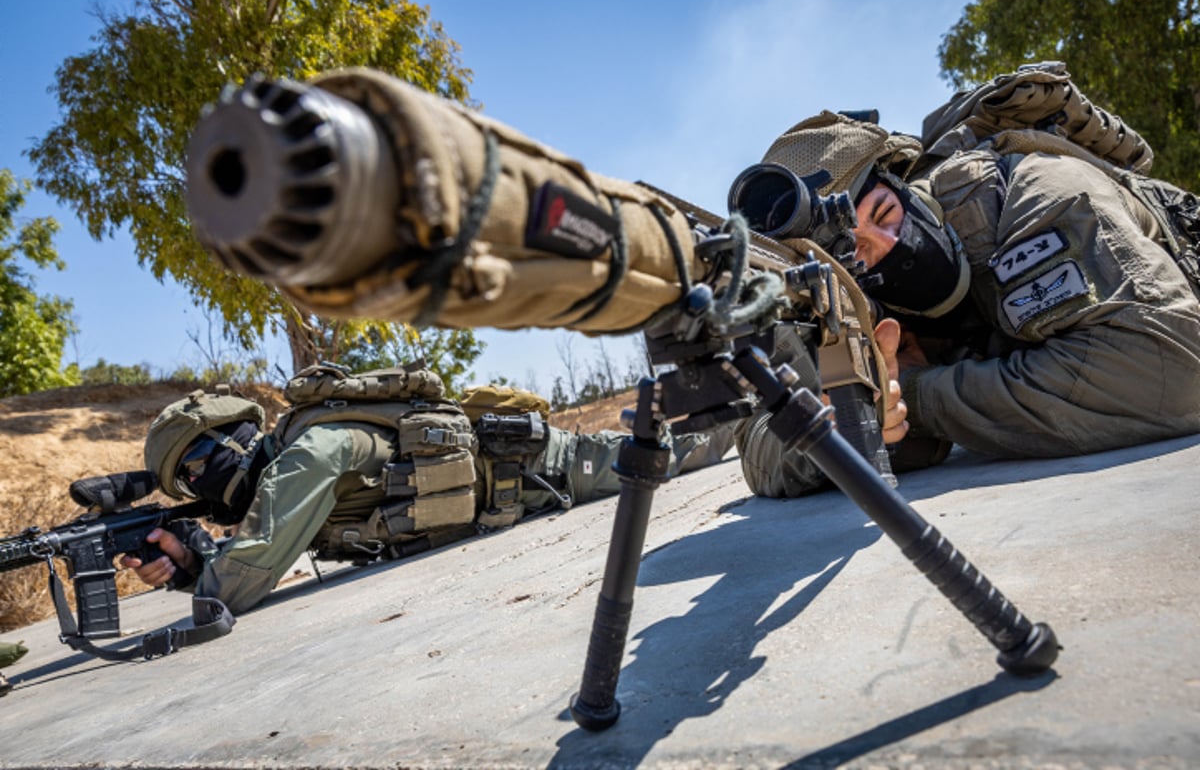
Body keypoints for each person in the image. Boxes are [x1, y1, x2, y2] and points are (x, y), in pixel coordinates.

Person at [737, 98, 1200, 497]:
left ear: (901, 182)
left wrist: (918, 398)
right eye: (856, 253)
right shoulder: (837, 302)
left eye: (886, 213)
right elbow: (758, 440)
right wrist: (838, 428)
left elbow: (1174, 374)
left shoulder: (1032, 190)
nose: (889, 245)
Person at [123, 383, 737, 615]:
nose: (200, 492)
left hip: (541, 469)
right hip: (517, 494)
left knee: (691, 449)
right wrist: (191, 562)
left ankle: (779, 404)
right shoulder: (293, 462)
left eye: (196, 473)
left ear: (225, 446)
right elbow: (258, 554)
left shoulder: (307, 456)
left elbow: (246, 577)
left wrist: (203, 570)